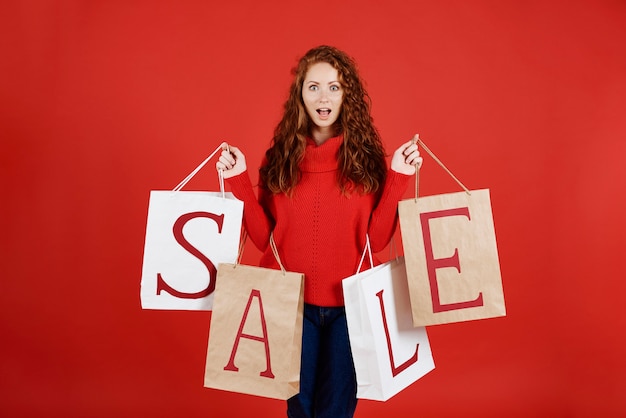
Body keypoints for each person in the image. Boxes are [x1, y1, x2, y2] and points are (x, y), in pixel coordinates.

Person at [216, 45, 422, 418]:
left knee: (335, 412)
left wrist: (399, 181)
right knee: (301, 411)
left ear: (348, 96)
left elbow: (375, 243)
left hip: (352, 308)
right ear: (300, 94)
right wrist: (237, 180)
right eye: (313, 87)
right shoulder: (279, 157)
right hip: (290, 304)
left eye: (334, 87)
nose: (323, 97)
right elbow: (265, 240)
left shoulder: (365, 160)